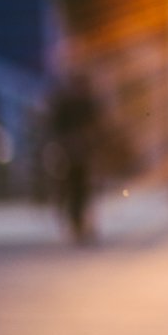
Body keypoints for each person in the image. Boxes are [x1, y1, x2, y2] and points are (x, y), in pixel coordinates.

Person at [45, 65, 103, 245]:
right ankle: (78, 223)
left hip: (73, 150)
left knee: (76, 188)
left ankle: (78, 223)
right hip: (78, 150)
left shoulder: (68, 100)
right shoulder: (83, 101)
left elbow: (54, 124)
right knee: (78, 188)